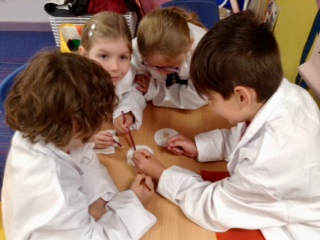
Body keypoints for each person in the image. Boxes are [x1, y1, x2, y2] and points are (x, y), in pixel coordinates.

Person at [132, 11, 320, 240]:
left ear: (242, 96)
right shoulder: (288, 94)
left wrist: (163, 174)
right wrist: (200, 146)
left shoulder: (269, 161)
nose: (210, 106)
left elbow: (214, 208)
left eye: (211, 99)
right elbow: (245, 137)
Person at [1, 51, 156, 240]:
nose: (103, 123)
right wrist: (133, 202)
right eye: (101, 118)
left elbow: (84, 157)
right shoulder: (55, 189)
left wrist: (100, 202)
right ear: (76, 126)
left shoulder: (40, 128)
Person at [79, 11, 146, 149]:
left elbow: (130, 91)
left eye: (123, 57)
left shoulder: (124, 73)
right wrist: (83, 138)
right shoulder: (70, 84)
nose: (115, 67)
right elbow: (46, 126)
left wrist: (127, 110)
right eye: (104, 56)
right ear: (84, 55)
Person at [131, 7, 208, 117]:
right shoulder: (137, 49)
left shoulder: (205, 53)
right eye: (154, 66)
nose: (162, 73)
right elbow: (130, 84)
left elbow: (201, 96)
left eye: (171, 66)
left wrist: (155, 90)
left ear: (190, 45)